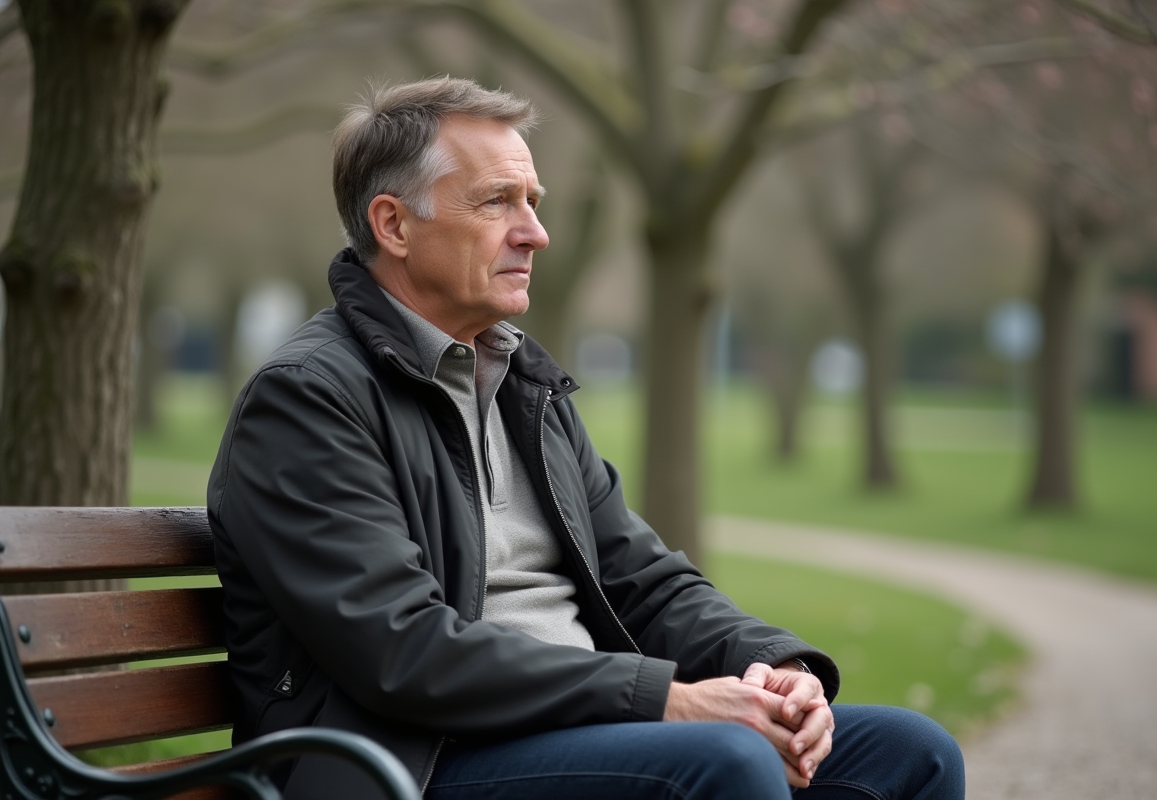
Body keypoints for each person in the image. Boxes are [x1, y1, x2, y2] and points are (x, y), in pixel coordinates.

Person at [207, 77, 964, 800]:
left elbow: (642, 579)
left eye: (533, 203)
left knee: (912, 753)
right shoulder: (308, 399)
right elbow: (403, 650)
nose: (535, 233)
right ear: (394, 225)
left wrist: (776, 667)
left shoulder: (522, 385)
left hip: (574, 731)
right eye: (497, 201)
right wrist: (665, 699)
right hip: (410, 763)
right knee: (722, 761)